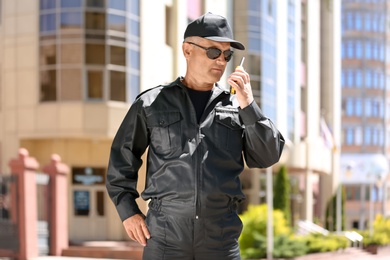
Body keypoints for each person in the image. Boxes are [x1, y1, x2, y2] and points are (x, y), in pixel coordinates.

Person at [106, 12, 285, 260]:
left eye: (227, 55)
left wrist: (249, 105)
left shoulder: (237, 106)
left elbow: (267, 156)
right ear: (187, 50)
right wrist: (128, 211)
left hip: (220, 240)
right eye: (213, 52)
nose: (221, 61)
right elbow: (121, 160)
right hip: (165, 238)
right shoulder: (151, 103)